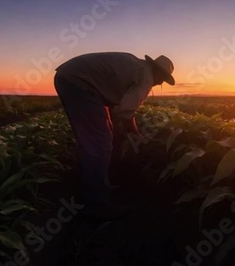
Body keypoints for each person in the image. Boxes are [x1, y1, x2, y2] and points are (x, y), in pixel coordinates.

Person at [53, 52, 175, 220]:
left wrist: (111, 124)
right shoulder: (146, 77)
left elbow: (108, 94)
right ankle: (97, 204)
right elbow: (126, 110)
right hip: (79, 82)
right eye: (163, 78)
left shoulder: (135, 65)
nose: (161, 82)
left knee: (96, 137)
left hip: (70, 77)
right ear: (158, 72)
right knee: (100, 143)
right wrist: (135, 133)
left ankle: (93, 186)